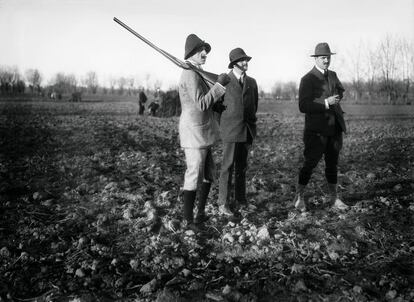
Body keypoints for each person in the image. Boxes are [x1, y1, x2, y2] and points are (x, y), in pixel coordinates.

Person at [178, 33, 231, 231]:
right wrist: (218, 86)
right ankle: (187, 220)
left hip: (204, 132)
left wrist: (216, 106)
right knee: (193, 174)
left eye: (205, 51)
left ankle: (200, 215)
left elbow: (204, 102)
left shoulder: (196, 72)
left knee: (209, 173)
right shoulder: (190, 74)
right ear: (191, 53)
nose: (204, 53)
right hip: (194, 133)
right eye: (201, 50)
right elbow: (200, 103)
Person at [293, 42, 349, 212]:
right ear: (316, 59)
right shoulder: (307, 79)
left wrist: (337, 97)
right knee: (309, 164)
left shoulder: (333, 75)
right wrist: (326, 102)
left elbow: (340, 90)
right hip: (316, 132)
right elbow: (303, 105)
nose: (326, 60)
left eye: (328, 57)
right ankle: (299, 198)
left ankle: (334, 199)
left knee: (332, 165)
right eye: (323, 58)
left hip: (334, 129)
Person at [218, 48, 258, 216]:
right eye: (242, 60)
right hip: (230, 130)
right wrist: (225, 124)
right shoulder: (224, 81)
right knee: (227, 167)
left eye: (246, 60)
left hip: (246, 130)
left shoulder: (252, 82)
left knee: (242, 167)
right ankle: (223, 203)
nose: (245, 63)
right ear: (234, 63)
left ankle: (241, 200)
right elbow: (216, 106)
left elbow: (254, 105)